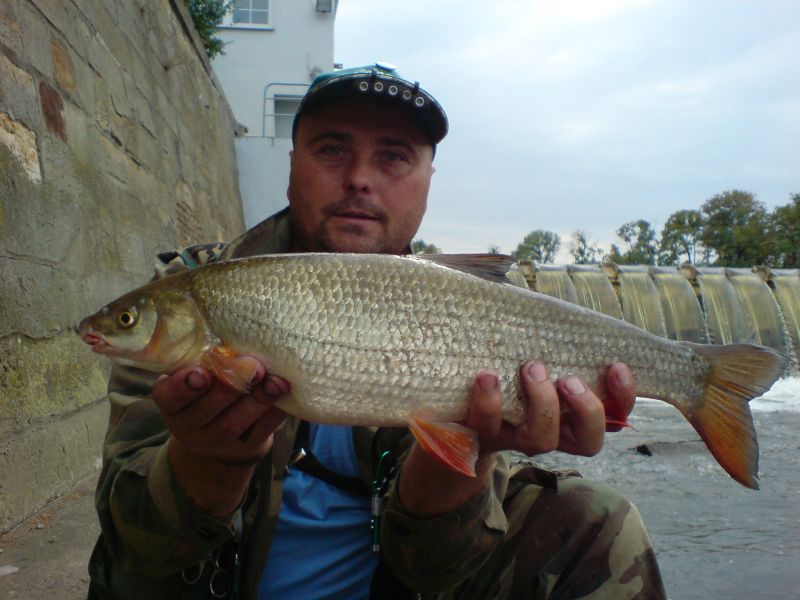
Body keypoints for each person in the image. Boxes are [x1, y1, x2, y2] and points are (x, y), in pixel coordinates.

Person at [87, 63, 667, 599]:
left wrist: (473, 448)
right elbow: (135, 543)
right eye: (332, 148)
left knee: (600, 524)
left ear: (428, 179)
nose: (360, 178)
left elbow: (432, 567)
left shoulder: (467, 309)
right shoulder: (190, 286)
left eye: (393, 156)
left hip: (392, 580)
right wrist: (206, 460)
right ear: (292, 162)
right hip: (208, 582)